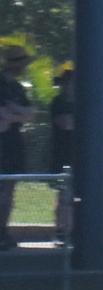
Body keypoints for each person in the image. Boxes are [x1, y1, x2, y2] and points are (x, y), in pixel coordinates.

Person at [0, 46, 35, 251]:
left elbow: (31, 113)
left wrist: (13, 114)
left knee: (9, 191)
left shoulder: (18, 88)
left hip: (14, 144)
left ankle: (2, 231)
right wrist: (16, 115)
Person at [49, 67, 74, 239]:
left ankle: (74, 229)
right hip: (62, 153)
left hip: (79, 155)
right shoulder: (57, 102)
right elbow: (65, 123)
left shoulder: (83, 103)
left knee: (76, 195)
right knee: (64, 193)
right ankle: (61, 229)